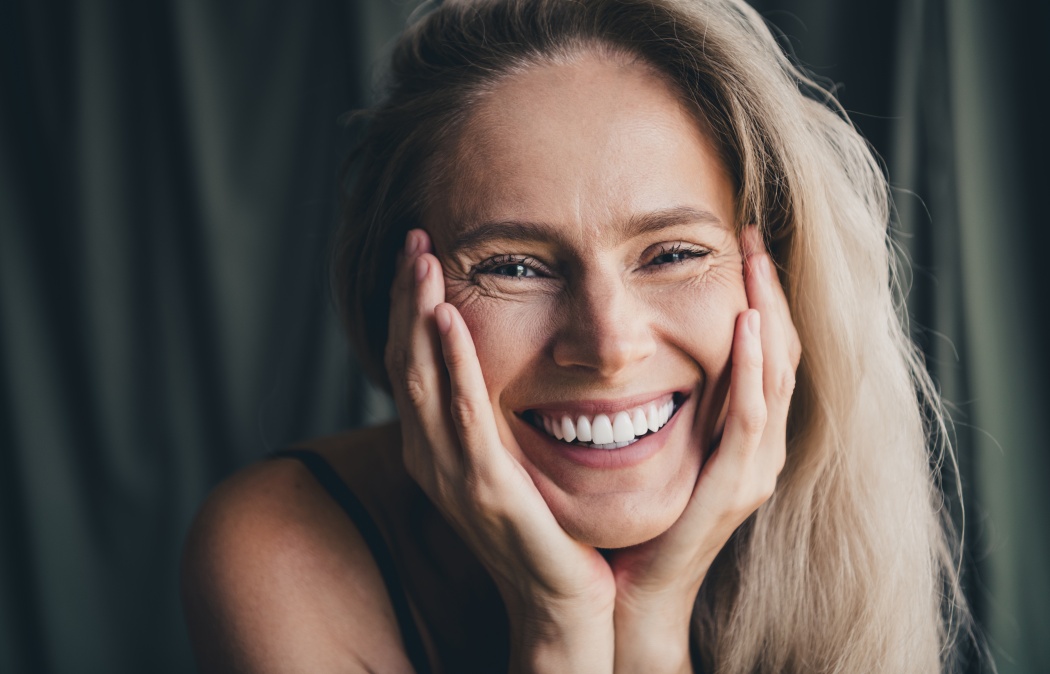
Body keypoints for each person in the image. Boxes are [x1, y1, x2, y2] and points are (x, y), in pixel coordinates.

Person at [181, 0, 971, 671]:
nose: (608, 343)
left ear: (780, 281)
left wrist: (653, 621)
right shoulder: (282, 553)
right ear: (399, 303)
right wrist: (560, 626)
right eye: (516, 266)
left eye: (672, 254)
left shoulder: (851, 534)